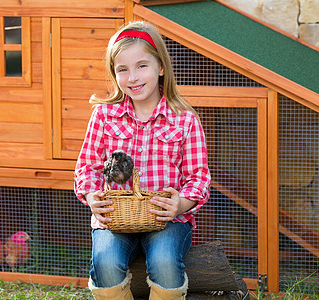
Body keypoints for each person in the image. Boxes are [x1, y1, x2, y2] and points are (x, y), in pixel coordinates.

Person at [74, 21, 211, 300]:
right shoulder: (103, 116)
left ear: (161, 67)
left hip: (166, 220)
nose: (133, 77)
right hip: (115, 217)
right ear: (114, 74)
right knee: (105, 263)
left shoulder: (185, 119)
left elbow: (198, 177)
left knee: (164, 262)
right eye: (122, 69)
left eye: (142, 66)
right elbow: (87, 167)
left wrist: (180, 204)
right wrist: (91, 195)